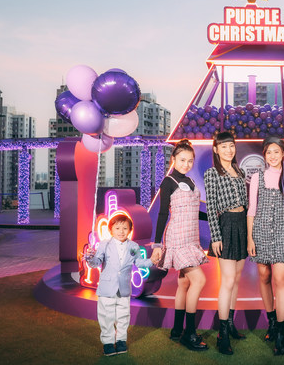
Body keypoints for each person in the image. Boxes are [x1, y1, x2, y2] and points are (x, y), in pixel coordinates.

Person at [151, 139, 209, 352]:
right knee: (199, 280)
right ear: (173, 159)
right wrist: (157, 244)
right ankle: (189, 333)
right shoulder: (168, 182)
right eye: (182, 160)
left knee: (184, 283)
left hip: (192, 238)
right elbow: (163, 213)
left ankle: (177, 329)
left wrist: (213, 216)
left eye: (190, 161)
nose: (186, 164)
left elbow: (195, 212)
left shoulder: (191, 182)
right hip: (177, 237)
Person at [247, 136, 284, 356]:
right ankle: (270, 321)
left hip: (282, 233)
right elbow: (251, 209)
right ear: (264, 155)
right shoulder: (257, 177)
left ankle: (281, 332)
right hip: (259, 231)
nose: (273, 156)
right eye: (269, 152)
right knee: (264, 276)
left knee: (280, 280)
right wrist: (250, 238)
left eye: (276, 151)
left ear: (283, 153)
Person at [85, 214, 158, 356]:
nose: (121, 231)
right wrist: (89, 257)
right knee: (106, 316)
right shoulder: (104, 244)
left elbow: (140, 263)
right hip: (107, 289)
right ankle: (107, 342)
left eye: (125, 228)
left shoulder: (133, 246)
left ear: (130, 230)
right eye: (117, 228)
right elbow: (96, 262)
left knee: (123, 316)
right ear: (111, 229)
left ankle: (121, 341)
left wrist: (152, 260)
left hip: (124, 289)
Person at [204, 132, 249, 355]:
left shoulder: (239, 171)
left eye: (231, 146)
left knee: (237, 279)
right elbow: (211, 207)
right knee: (228, 280)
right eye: (223, 147)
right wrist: (216, 236)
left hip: (241, 223)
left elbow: (247, 203)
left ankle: (230, 323)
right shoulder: (212, 173)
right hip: (226, 224)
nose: (228, 150)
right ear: (216, 149)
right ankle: (222, 333)